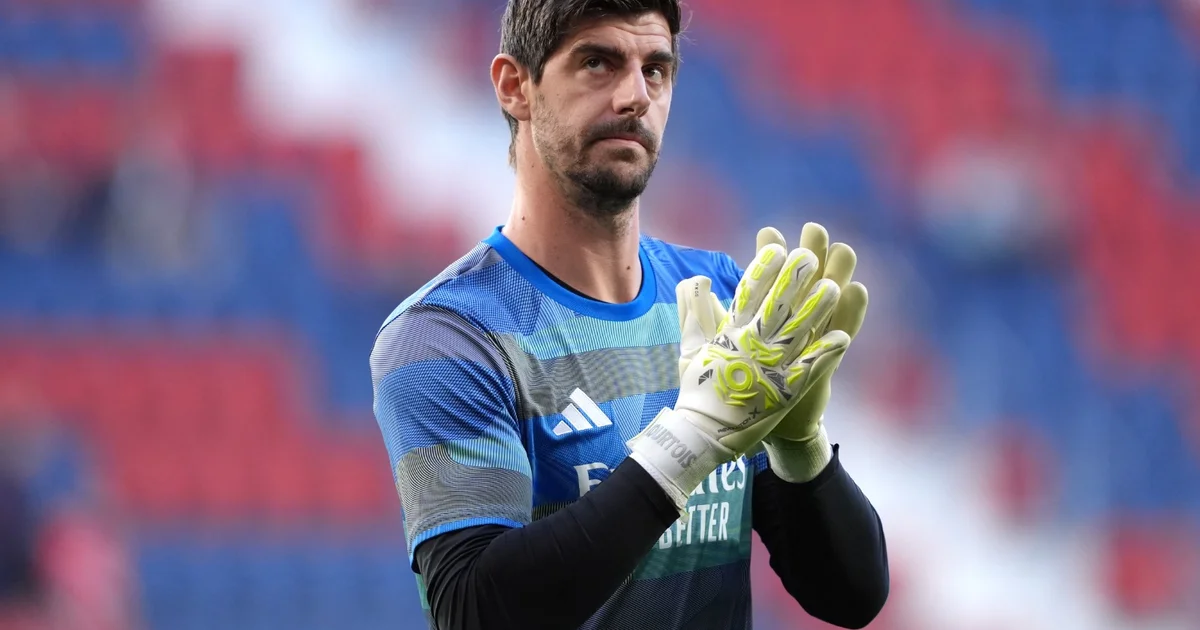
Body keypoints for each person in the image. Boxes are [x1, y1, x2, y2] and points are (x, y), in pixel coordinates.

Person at [370, 1, 889, 628]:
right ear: (515, 87)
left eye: (656, 70)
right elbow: (475, 609)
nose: (635, 96)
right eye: (598, 63)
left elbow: (851, 597)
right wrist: (690, 440)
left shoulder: (719, 298)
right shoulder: (446, 336)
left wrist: (800, 448)